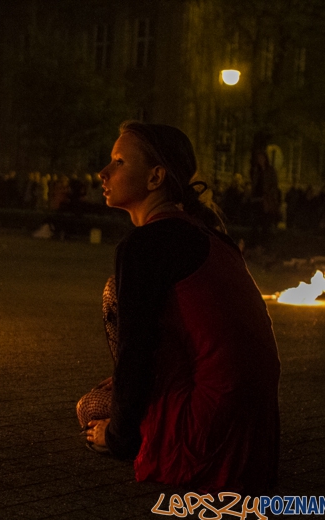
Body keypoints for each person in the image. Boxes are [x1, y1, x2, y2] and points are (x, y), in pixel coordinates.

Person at [76, 120, 280, 495]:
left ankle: (143, 437)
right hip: (255, 429)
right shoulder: (208, 232)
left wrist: (120, 436)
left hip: (207, 428)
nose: (103, 172)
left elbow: (136, 349)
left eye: (119, 162)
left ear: (155, 177)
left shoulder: (146, 244)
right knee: (113, 395)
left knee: (90, 408)